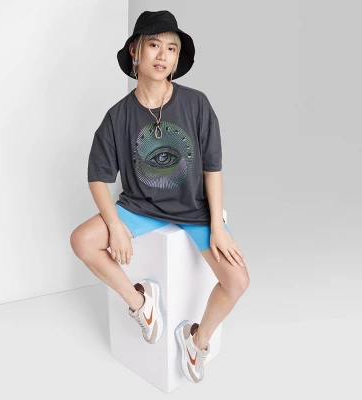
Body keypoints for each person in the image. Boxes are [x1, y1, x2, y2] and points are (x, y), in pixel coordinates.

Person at [70, 10, 250, 384]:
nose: (163, 55)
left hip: (194, 210)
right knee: (82, 240)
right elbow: (97, 177)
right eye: (154, 45)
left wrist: (217, 225)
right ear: (135, 51)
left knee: (237, 281)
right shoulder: (118, 116)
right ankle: (141, 303)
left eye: (171, 48)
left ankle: (196, 341)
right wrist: (115, 226)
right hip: (140, 207)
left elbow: (212, 168)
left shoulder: (196, 103)